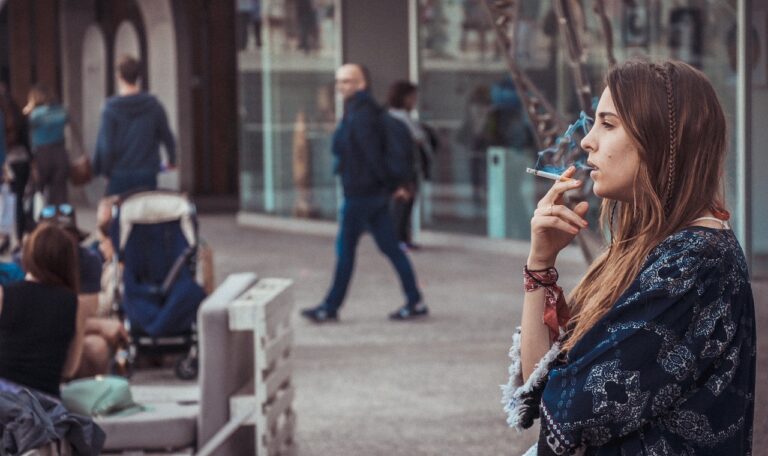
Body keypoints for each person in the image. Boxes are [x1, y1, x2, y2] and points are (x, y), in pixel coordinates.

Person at [502, 59, 754, 455]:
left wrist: (561, 385)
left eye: (608, 124)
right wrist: (541, 266)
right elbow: (539, 389)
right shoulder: (652, 246)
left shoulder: (694, 261)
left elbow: (570, 412)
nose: (587, 141)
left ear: (662, 142)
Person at [301, 64, 427, 322]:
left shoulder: (362, 115)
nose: (341, 86)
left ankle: (330, 306)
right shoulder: (357, 111)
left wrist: (391, 185)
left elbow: (371, 156)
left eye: (347, 81)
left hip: (361, 195)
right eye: (338, 82)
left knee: (345, 250)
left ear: (361, 84)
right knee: (391, 248)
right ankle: (415, 301)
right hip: (371, 194)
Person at [39, 203, 128, 378]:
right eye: (53, 237)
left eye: (64, 236)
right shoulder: (24, 263)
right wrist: (101, 326)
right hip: (37, 339)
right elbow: (33, 319)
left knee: (97, 349)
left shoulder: (88, 261)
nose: (59, 244)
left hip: (73, 332)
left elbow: (85, 312)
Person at [0, 223, 82, 398]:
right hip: (45, 405)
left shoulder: (5, 294)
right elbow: (70, 369)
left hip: (5, 399)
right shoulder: (73, 302)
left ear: (29, 255)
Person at [93, 55, 176, 196]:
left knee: (115, 215)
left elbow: (106, 145)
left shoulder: (110, 108)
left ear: (119, 75)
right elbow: (167, 136)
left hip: (118, 173)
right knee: (144, 214)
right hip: (147, 172)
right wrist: (172, 160)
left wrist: (104, 171)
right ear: (138, 76)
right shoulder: (154, 105)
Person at [386, 80, 435, 250]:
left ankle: (402, 237)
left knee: (406, 205)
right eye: (412, 97)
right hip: (402, 169)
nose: (415, 100)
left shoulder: (402, 117)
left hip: (408, 168)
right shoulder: (398, 119)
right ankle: (398, 239)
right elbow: (417, 138)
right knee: (402, 205)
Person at [23, 85, 71, 205]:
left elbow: (23, 127)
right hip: (60, 152)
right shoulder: (61, 110)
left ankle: (38, 218)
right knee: (60, 191)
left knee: (36, 190)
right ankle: (58, 219)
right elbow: (70, 124)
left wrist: (28, 109)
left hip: (41, 154)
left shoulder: (34, 114)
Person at [0, 83, 32, 248]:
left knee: (5, 202)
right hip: (22, 161)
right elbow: (27, 141)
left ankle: (4, 238)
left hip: (6, 164)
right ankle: (19, 239)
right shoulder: (18, 114)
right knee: (17, 200)